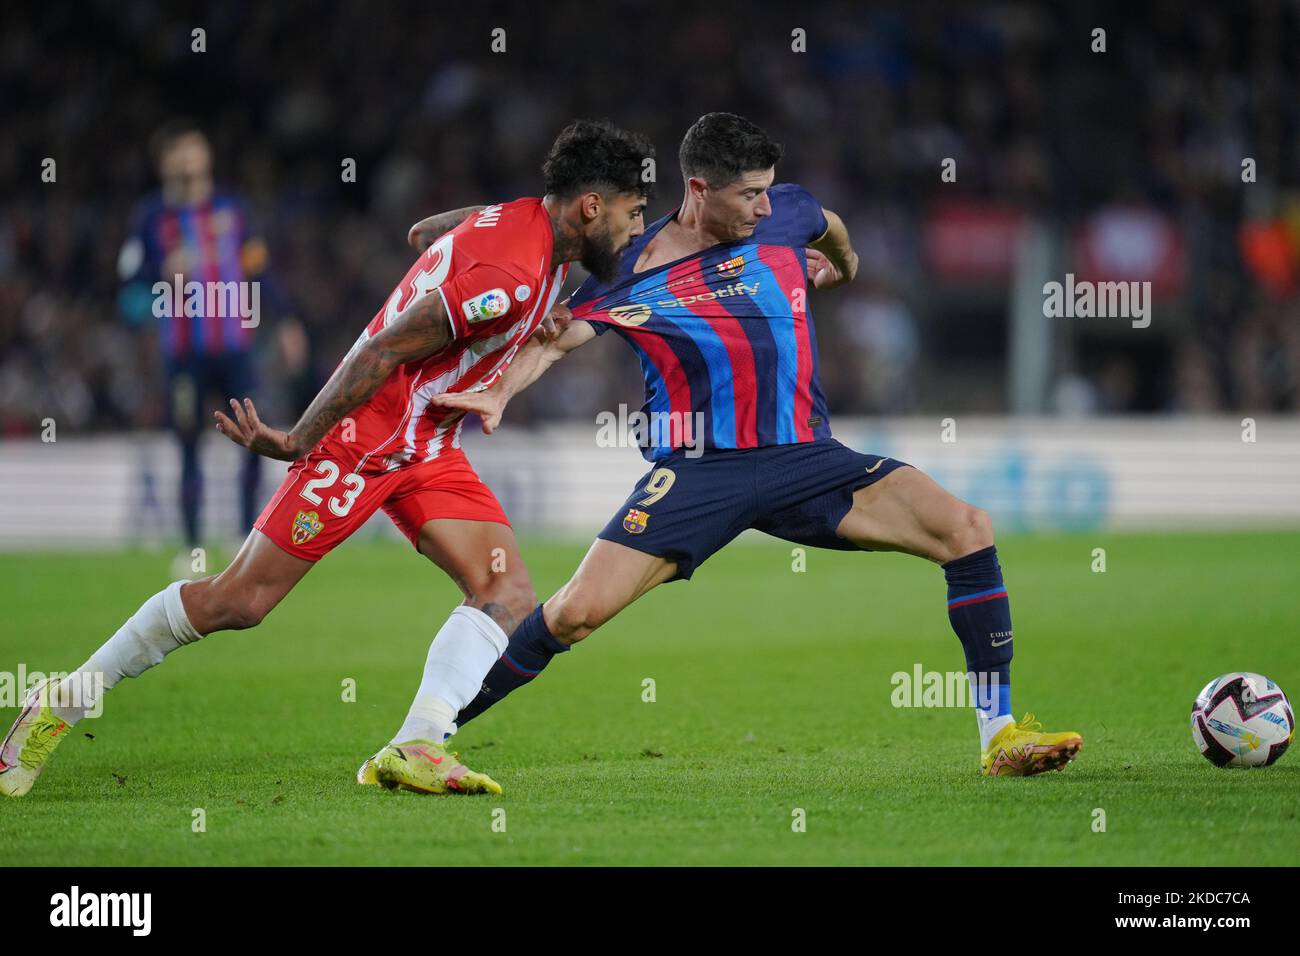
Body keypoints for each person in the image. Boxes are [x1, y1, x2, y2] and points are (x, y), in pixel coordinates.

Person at [412, 113, 1083, 789]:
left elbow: (831, 225)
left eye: (769, 191)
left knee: (968, 529)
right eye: (749, 195)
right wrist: (498, 395)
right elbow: (554, 343)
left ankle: (998, 737)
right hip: (700, 473)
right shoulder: (630, 265)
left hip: (808, 460)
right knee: (572, 614)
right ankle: (424, 738)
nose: (766, 206)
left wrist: (843, 271)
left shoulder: (785, 213)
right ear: (699, 190)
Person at [0, 119, 653, 799]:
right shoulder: (511, 275)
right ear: (590, 207)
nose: (636, 230)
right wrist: (298, 439)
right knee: (240, 601)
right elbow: (382, 350)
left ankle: (417, 744)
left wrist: (472, 275)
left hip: (425, 444)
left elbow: (422, 235)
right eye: (632, 213)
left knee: (508, 594)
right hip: (364, 439)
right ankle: (64, 700)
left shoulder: (521, 225)